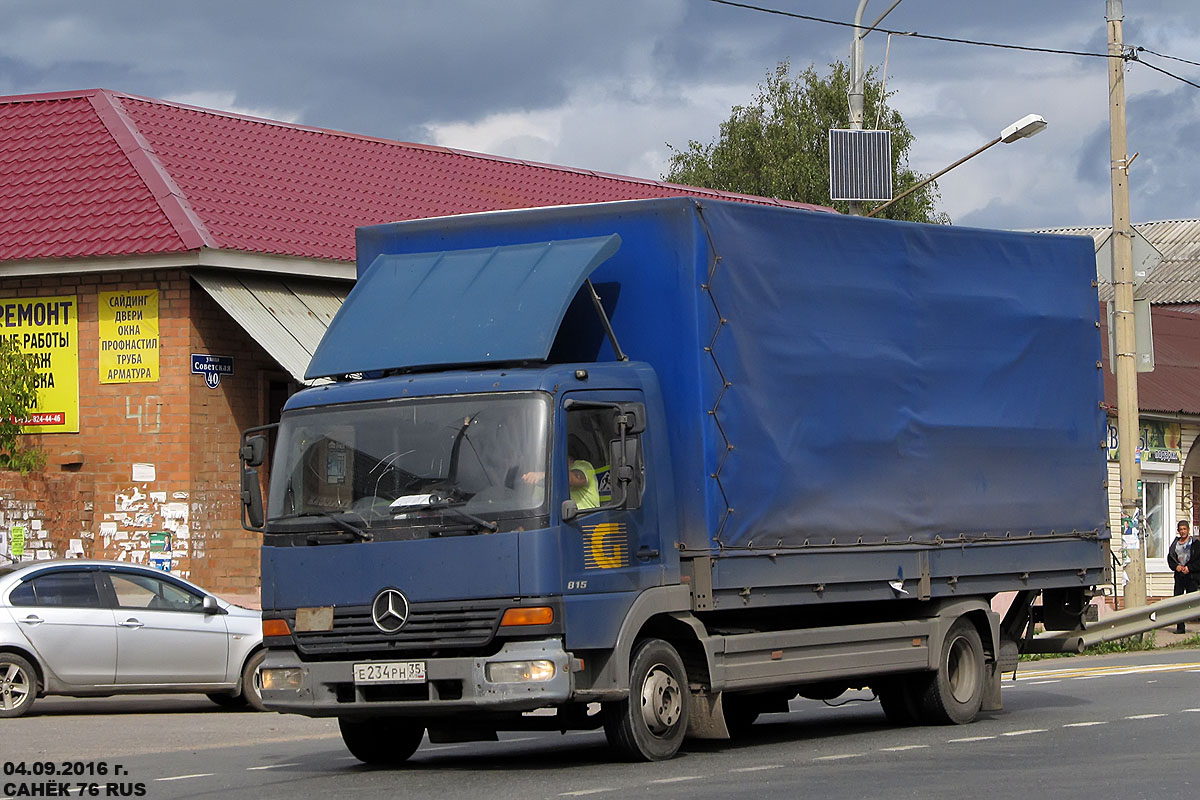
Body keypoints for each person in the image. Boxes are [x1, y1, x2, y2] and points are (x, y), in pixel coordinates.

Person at [521, 449, 600, 510]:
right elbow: (535, 509)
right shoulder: (545, 481)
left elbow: (570, 479)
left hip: (586, 524)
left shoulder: (583, 466)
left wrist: (542, 475)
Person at [1167, 519, 1198, 634]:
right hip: (1179, 576)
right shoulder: (1175, 545)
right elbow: (1170, 559)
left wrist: (1189, 568)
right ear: (1178, 531)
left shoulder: (1194, 543)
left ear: (1188, 530)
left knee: (1194, 602)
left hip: (1192, 577)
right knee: (1178, 602)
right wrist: (1176, 567)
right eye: (1181, 529)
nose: (1183, 531)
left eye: (1185, 529)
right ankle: (1180, 627)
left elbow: (1198, 560)